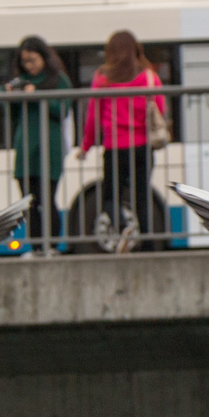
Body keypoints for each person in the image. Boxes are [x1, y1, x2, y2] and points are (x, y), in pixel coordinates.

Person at [78, 30, 165, 251]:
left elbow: (93, 116)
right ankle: (148, 247)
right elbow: (160, 109)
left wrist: (86, 146)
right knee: (142, 197)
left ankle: (122, 224)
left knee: (110, 198)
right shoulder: (148, 77)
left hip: (115, 148)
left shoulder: (103, 79)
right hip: (143, 147)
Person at [6, 35, 72, 251]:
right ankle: (35, 247)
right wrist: (11, 97)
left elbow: (62, 109)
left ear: (44, 57)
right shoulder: (21, 81)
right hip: (26, 148)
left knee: (47, 198)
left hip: (49, 148)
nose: (29, 66)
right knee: (29, 203)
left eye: (33, 60)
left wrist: (38, 95)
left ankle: (51, 246)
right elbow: (12, 115)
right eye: (25, 61)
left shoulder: (58, 79)